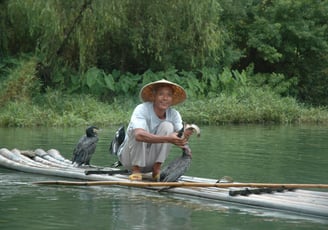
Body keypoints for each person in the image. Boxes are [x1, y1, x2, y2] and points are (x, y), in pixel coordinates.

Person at [117, 79, 194, 181]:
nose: (165, 98)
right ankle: (136, 170)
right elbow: (139, 135)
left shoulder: (174, 114)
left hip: (150, 161)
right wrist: (168, 138)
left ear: (172, 99)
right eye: (161, 94)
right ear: (154, 96)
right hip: (130, 160)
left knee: (168, 126)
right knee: (138, 132)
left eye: (169, 95)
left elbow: (179, 137)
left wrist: (185, 137)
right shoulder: (142, 109)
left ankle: (156, 168)